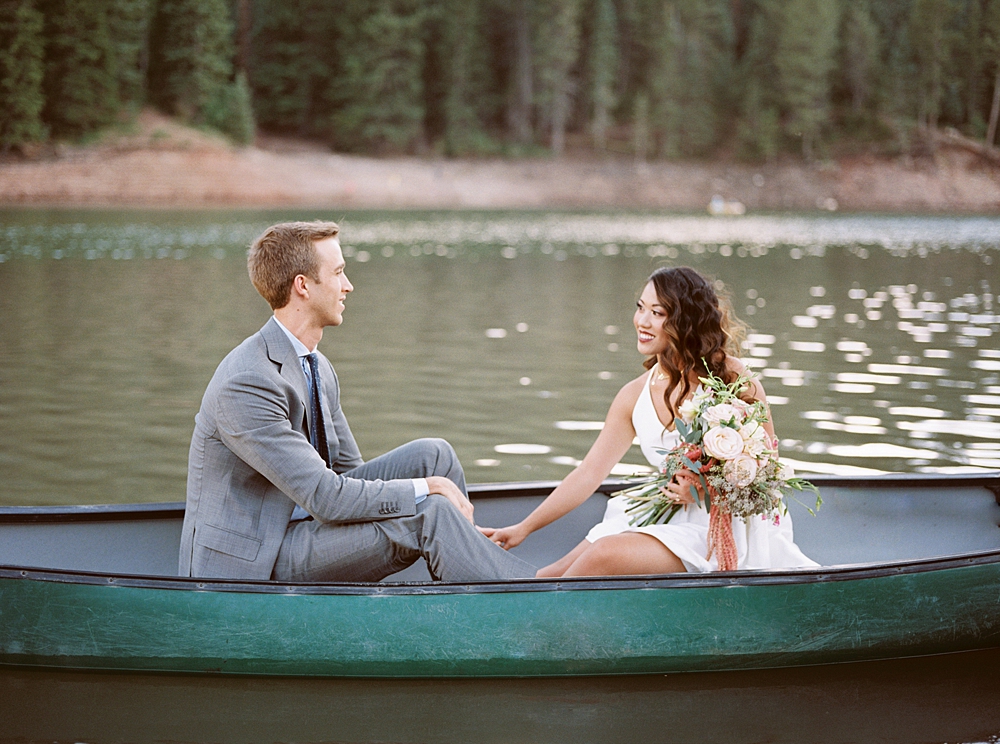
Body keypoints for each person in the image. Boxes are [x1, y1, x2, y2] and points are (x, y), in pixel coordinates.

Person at [179, 220, 534, 582]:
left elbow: (349, 473)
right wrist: (427, 489)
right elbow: (327, 497)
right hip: (258, 559)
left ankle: (470, 563)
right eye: (338, 273)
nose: (348, 286)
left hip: (306, 520)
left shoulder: (317, 366)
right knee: (432, 511)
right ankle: (517, 596)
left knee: (434, 456)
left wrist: (427, 486)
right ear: (302, 286)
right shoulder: (248, 382)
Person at [482, 266, 817, 576]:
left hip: (723, 528)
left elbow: (770, 473)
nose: (642, 321)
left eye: (657, 313)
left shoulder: (732, 378)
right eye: (640, 307)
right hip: (662, 516)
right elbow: (588, 474)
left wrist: (706, 490)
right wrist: (523, 528)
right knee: (549, 574)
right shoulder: (632, 396)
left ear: (687, 321)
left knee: (604, 554)